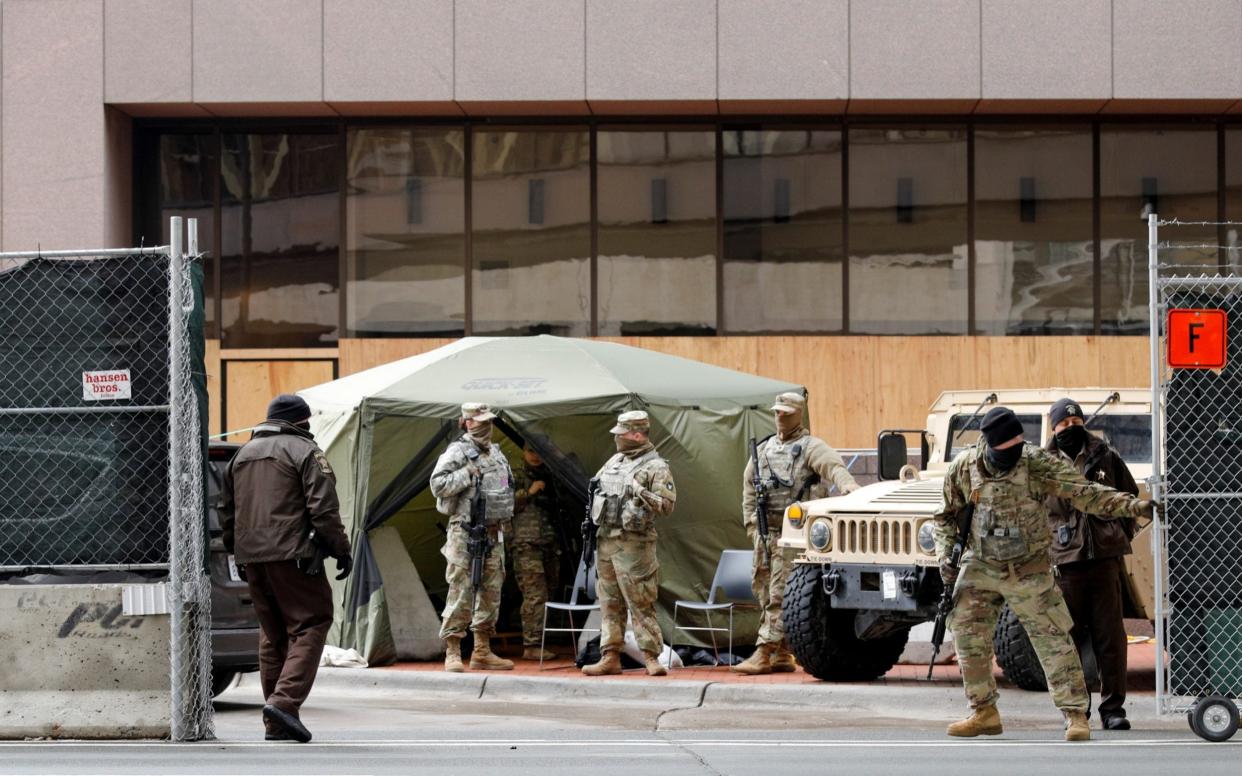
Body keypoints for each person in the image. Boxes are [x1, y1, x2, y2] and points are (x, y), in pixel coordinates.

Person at [934, 407, 1154, 742]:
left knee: (1053, 639)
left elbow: (1086, 494)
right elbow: (945, 517)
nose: (1017, 452)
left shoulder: (1035, 463)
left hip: (1029, 566)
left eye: (1021, 443)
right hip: (981, 563)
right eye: (1010, 448)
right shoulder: (965, 468)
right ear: (990, 446)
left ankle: (1075, 714)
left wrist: (1134, 506)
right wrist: (945, 556)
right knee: (966, 632)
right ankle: (983, 711)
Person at [220, 393, 353, 744]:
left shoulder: (241, 455)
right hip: (294, 553)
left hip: (251, 557)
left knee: (273, 632)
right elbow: (323, 508)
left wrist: (239, 553)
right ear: (303, 421)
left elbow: (226, 511)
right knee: (312, 622)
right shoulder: (304, 450)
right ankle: (284, 703)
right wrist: (341, 549)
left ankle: (276, 721)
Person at [734, 391, 860, 675]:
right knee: (764, 591)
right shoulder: (764, 450)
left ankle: (764, 651)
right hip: (765, 535)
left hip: (793, 536)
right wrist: (752, 527)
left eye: (786, 413)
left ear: (798, 414)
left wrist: (849, 487)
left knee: (780, 593)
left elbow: (834, 468)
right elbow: (749, 489)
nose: (780, 417)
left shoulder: (810, 447)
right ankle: (782, 652)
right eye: (777, 412)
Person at [1045, 398, 1140, 731]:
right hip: (1065, 564)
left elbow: (1129, 499)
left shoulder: (1106, 455)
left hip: (1104, 560)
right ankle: (1076, 710)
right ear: (1053, 428)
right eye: (1064, 424)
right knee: (1069, 640)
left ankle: (1113, 709)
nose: (1071, 428)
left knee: (1110, 638)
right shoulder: (1045, 465)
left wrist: (1116, 533)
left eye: (1076, 422)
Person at [582, 410, 677, 677]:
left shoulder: (656, 466)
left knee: (640, 601)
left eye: (621, 434)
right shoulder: (614, 461)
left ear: (636, 434)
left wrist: (640, 491)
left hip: (635, 545)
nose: (617, 439)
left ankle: (651, 657)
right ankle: (610, 655)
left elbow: (667, 506)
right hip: (606, 541)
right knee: (609, 601)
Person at [430, 402, 516, 673]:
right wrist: (466, 473)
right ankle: (453, 650)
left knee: (491, 592)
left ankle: (482, 650)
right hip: (466, 533)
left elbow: (506, 488)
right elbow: (438, 485)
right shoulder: (457, 452)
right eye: (480, 422)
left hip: (494, 533)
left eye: (489, 421)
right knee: (461, 590)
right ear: (467, 422)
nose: (486, 426)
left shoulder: (497, 455)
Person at [512, 443, 562, 660]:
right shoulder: (512, 474)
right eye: (530, 450)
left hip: (550, 543)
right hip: (526, 544)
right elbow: (502, 503)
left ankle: (541, 639)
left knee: (549, 591)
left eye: (539, 451)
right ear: (523, 451)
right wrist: (528, 492)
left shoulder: (554, 475)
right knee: (535, 594)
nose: (535, 456)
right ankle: (531, 645)